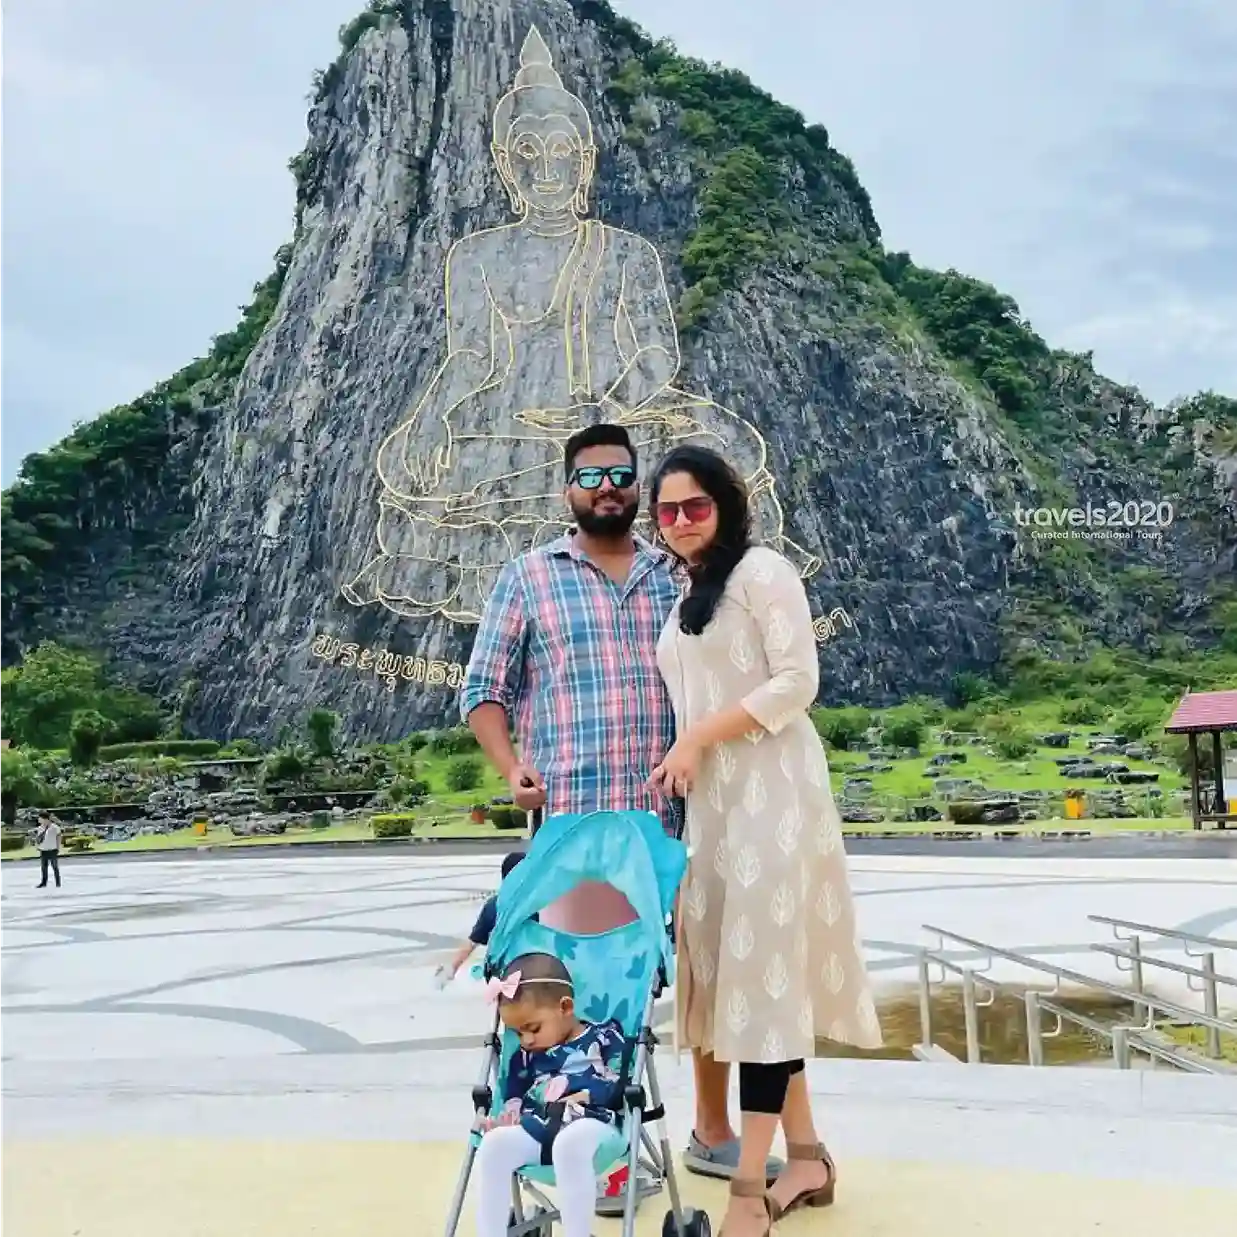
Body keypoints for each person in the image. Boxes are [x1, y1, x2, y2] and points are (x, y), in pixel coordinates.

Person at [461, 423, 783, 1213]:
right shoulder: (528, 577)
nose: (606, 487)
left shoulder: (676, 573)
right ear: (566, 488)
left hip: (670, 821)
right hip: (573, 832)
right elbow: (483, 689)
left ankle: (711, 1128)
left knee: (687, 973)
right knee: (584, 981)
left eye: (619, 474)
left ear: (637, 485)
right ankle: (593, 1143)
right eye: (589, 475)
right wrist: (510, 767)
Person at [647, 445, 883, 1237]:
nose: (680, 520)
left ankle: (751, 1187)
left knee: (763, 982)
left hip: (772, 796)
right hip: (714, 811)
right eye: (667, 510)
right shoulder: (686, 596)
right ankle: (806, 1155)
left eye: (695, 505)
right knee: (744, 979)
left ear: (727, 505)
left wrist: (695, 738)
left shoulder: (762, 572)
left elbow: (796, 680)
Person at [473, 952, 626, 1237]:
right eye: (518, 1033)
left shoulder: (605, 1037)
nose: (527, 1040)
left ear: (565, 1007)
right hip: (540, 1127)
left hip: (593, 1123)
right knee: (493, 1145)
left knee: (570, 1141)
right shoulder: (526, 1058)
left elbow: (618, 1083)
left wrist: (584, 1095)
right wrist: (508, 1117)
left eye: (533, 1028)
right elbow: (515, 1094)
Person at [434, 851, 527, 988]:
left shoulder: (493, 905)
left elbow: (472, 943)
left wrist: (451, 969)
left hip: (503, 974)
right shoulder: (541, 904)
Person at [35, 813, 62, 889]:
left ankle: (58, 882)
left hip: (52, 849)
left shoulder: (54, 827)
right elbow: (39, 838)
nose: (39, 820)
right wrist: (38, 846)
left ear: (45, 819)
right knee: (44, 867)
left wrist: (58, 847)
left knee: (55, 867)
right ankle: (44, 882)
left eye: (40, 818)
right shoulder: (40, 828)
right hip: (43, 850)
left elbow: (59, 837)